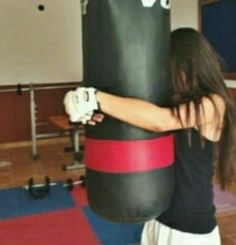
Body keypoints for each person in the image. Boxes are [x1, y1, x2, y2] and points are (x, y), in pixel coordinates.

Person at [63, 28, 236, 245]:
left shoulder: (214, 103)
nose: (167, 76)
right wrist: (99, 116)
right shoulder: (173, 99)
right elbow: (143, 118)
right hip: (157, 216)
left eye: (171, 69)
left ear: (191, 66)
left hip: (189, 228)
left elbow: (161, 120)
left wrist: (94, 98)